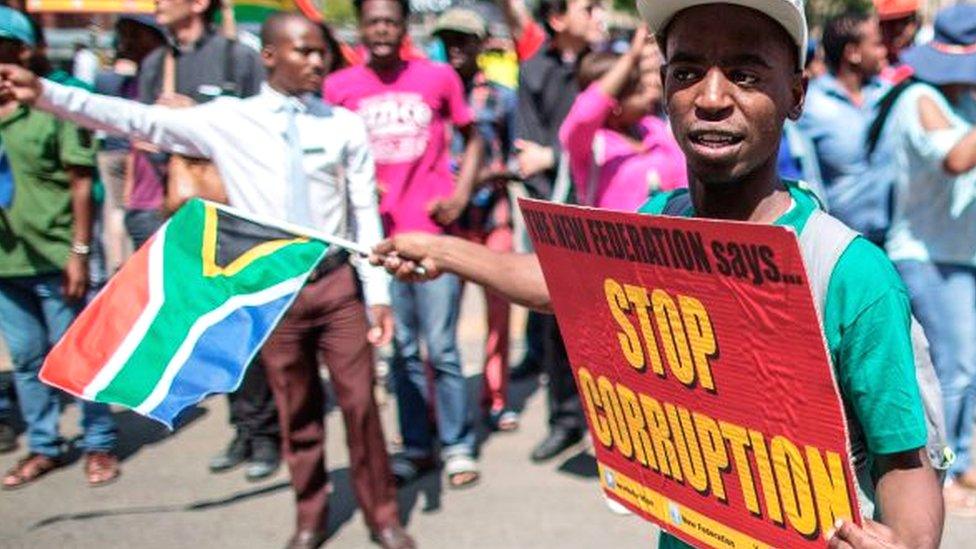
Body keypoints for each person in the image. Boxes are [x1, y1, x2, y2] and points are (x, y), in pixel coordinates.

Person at [369, 0, 946, 546]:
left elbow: (904, 461)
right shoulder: (656, 225)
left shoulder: (849, 274)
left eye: (745, 75)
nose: (711, 97)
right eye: (687, 71)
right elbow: (557, 284)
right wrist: (443, 252)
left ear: (795, 93)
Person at [0, 13, 415, 549]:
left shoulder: (341, 124)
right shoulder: (229, 119)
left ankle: (382, 516)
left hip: (336, 286)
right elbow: (134, 120)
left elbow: (364, 211)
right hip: (271, 292)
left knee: (361, 406)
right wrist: (47, 93)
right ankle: (310, 514)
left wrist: (377, 294)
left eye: (321, 53)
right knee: (297, 410)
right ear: (269, 56)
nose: (317, 62)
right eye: (303, 52)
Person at [324, 0, 485, 490]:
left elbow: (473, 137)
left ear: (403, 27)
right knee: (402, 352)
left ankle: (458, 445)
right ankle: (416, 445)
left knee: (442, 348)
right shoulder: (339, 88)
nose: (382, 31)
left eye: (391, 21)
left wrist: (460, 194)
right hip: (378, 245)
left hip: (434, 237)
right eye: (373, 21)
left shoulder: (438, 78)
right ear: (361, 26)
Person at [143, 0, 279, 481]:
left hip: (241, 214)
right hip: (188, 214)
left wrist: (198, 117)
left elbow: (263, 129)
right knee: (212, 326)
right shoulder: (158, 64)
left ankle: (267, 435)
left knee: (250, 324)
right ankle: (242, 427)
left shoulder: (236, 57)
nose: (157, 3)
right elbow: (145, 135)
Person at [0, 6, 119, 489]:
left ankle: (99, 441)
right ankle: (44, 445)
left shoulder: (54, 104)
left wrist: (79, 251)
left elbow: (79, 181)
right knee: (27, 357)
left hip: (57, 254)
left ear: (24, 51)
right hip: (8, 262)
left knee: (77, 354)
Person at [878, 3, 976, 515]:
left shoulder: (964, 99)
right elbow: (957, 158)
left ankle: (960, 464)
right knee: (950, 370)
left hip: (958, 253)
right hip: (925, 255)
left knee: (966, 367)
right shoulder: (919, 97)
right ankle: (942, 476)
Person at [512, 0, 606, 463]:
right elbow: (528, 153)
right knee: (557, 327)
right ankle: (566, 421)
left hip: (608, 215)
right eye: (588, 7)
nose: (598, 15)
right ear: (556, 18)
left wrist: (554, 154)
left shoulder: (608, 63)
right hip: (558, 218)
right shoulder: (534, 72)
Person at [433, 7, 521, 433]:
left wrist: (481, 178)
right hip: (445, 223)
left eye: (464, 40)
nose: (455, 48)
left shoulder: (501, 96)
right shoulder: (431, 90)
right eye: (448, 39)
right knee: (441, 321)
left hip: (492, 218)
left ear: (482, 45)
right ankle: (440, 408)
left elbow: (515, 155)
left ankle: (495, 397)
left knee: (497, 315)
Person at [559, 27, 686, 211]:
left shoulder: (654, 128)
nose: (650, 95)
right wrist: (631, 57)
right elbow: (583, 116)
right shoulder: (593, 144)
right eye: (640, 91)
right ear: (615, 103)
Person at [799, 11, 890, 245]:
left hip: (894, 240)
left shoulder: (887, 94)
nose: (884, 52)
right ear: (853, 53)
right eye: (877, 44)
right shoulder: (813, 106)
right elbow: (810, 177)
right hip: (843, 244)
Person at [93, 14, 166, 273]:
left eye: (134, 35)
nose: (125, 43)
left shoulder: (166, 76)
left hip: (164, 203)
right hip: (141, 201)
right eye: (123, 35)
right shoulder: (128, 82)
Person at [873, 0, 919, 83]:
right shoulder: (870, 64)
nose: (897, 29)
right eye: (889, 24)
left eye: (902, 22)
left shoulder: (924, 63)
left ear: (914, 24)